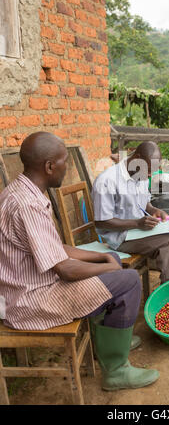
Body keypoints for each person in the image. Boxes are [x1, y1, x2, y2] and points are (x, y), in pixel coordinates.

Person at [0, 132, 159, 391]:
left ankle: (108, 342)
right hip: (32, 300)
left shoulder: (21, 192)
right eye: (64, 161)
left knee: (113, 265)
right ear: (50, 166)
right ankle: (116, 371)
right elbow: (64, 269)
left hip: (29, 289)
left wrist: (101, 256)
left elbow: (55, 248)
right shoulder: (27, 205)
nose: (68, 166)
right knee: (128, 280)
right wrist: (108, 266)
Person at [92, 142, 169, 284]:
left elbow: (144, 203)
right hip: (122, 238)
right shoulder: (107, 181)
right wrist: (137, 223)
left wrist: (154, 210)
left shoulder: (142, 173)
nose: (150, 175)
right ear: (137, 158)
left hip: (141, 230)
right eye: (149, 171)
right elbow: (102, 221)